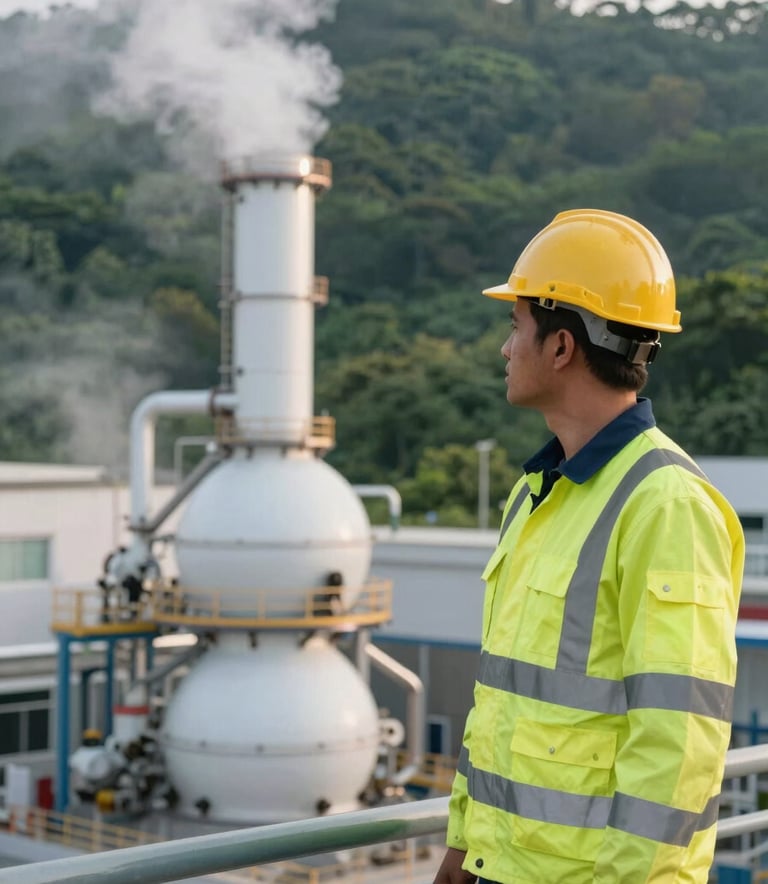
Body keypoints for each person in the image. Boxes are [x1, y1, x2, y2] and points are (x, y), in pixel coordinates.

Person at [433, 209, 744, 884]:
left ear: (561, 346)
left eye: (515, 326)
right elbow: (503, 701)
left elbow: (678, 744)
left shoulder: (666, 505)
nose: (505, 350)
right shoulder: (535, 494)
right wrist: (463, 844)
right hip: (499, 868)